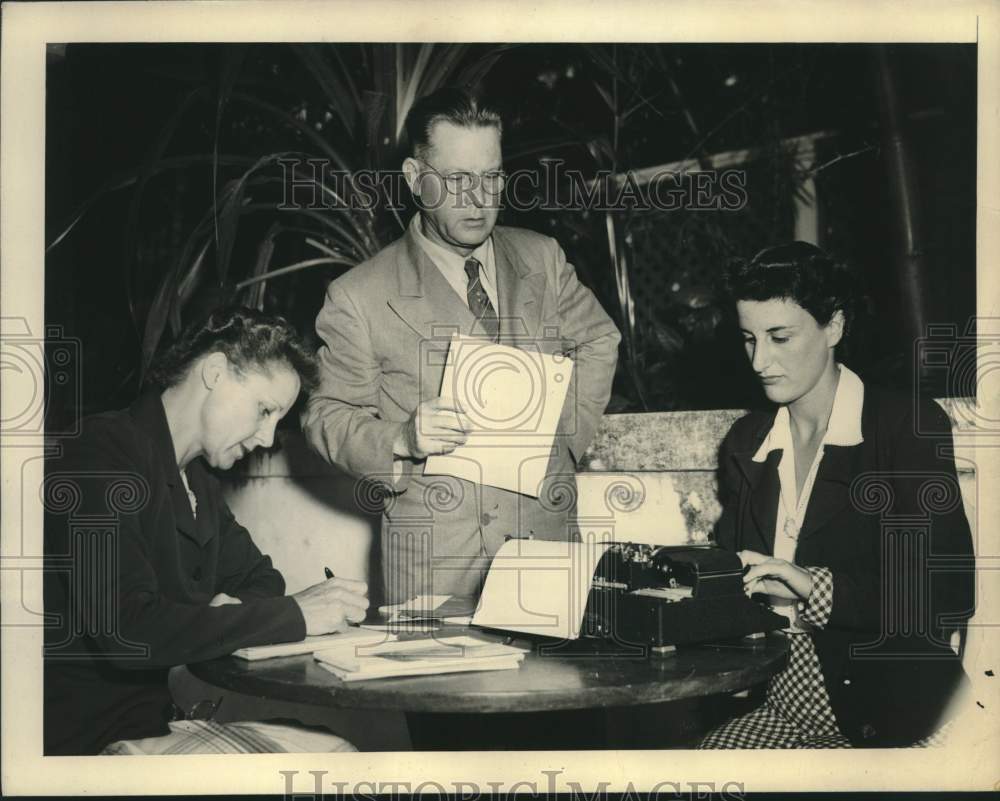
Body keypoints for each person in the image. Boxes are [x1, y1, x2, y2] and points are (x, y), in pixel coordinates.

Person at [302, 87, 621, 603]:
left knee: (556, 685)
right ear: (414, 178)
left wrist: (562, 439)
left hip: (545, 545)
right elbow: (326, 414)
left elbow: (599, 340)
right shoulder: (359, 295)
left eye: (491, 177)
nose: (478, 200)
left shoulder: (542, 257)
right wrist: (402, 439)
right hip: (435, 564)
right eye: (456, 180)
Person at [43, 307, 369, 755]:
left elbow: (261, 580)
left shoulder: (196, 481)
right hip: (84, 742)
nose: (269, 438)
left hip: (152, 725)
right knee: (332, 761)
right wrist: (294, 614)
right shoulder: (99, 457)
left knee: (332, 750)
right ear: (214, 372)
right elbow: (127, 632)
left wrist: (218, 615)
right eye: (264, 410)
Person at [700, 242, 975, 749]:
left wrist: (811, 585)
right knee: (711, 759)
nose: (761, 361)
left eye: (780, 337)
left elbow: (947, 593)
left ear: (834, 327)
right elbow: (731, 576)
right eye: (749, 339)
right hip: (784, 704)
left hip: (898, 715)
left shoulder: (903, 427)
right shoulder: (747, 440)